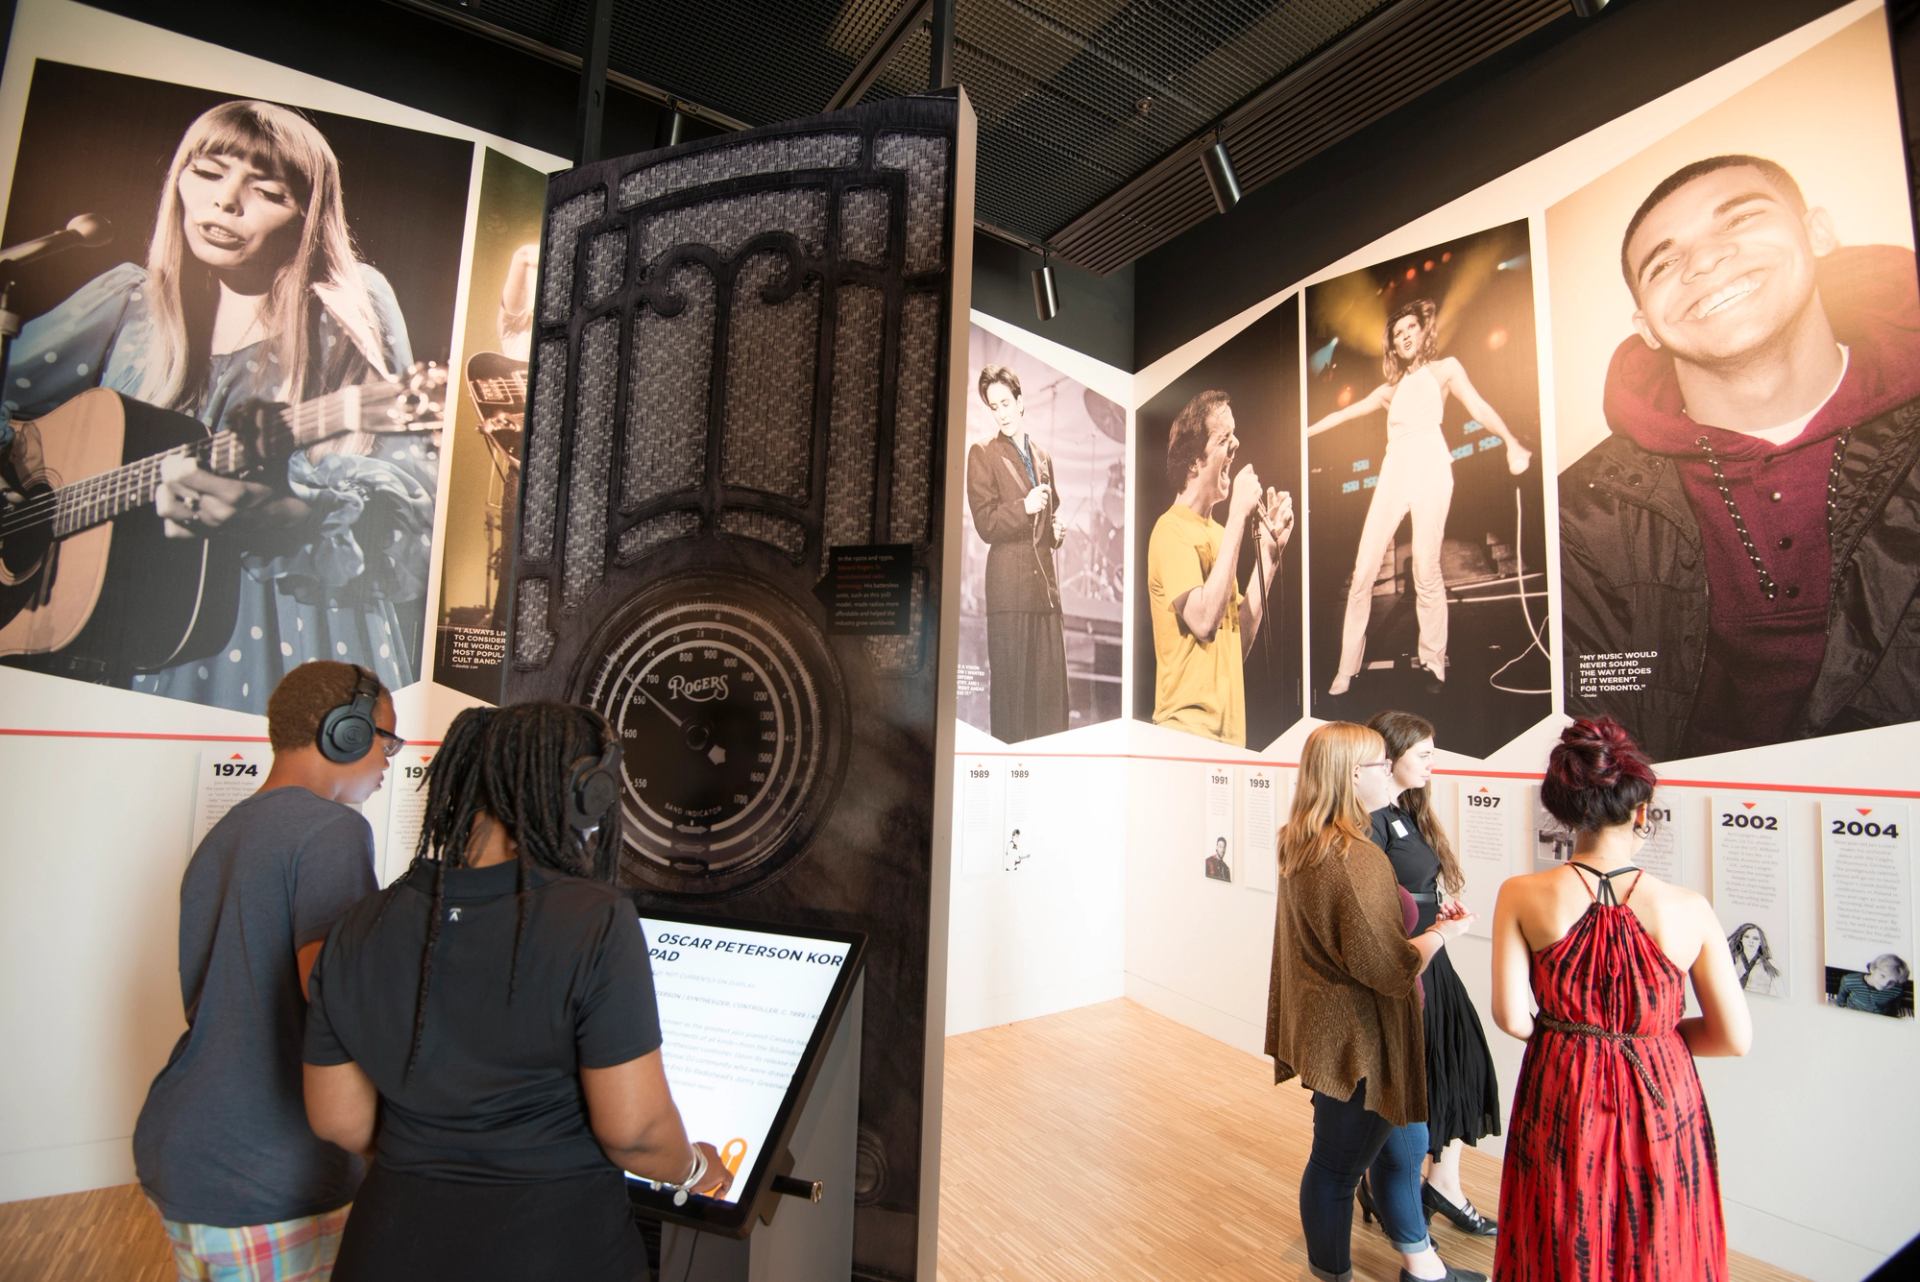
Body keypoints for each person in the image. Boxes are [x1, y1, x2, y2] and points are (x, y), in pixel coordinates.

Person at [2, 98, 432, 715]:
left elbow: (413, 496)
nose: (225, 202)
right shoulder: (132, 300)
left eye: (267, 191)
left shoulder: (347, 302)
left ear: (307, 217)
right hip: (126, 613)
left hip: (290, 617)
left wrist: (300, 512)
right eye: (207, 173)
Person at [302, 702, 732, 1281]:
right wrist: (693, 1168)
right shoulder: (594, 921)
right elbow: (635, 1133)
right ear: (587, 792)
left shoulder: (362, 924)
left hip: (385, 1247)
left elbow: (338, 1121)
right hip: (552, 1250)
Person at [1560, 154, 1920, 758]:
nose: (1704, 261)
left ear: (1819, 233)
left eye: (1738, 220)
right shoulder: (1584, 509)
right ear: (1645, 324)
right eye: (1665, 262)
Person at [133, 660, 397, 1282]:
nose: (390, 760)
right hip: (266, 1167)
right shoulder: (333, 830)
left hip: (190, 1148)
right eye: (388, 740)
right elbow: (333, 996)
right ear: (346, 734)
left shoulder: (225, 835)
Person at [1491, 717, 1751, 1281]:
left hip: (1564, 1082)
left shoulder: (1521, 893)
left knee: (1561, 1229)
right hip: (1663, 1086)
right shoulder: (1689, 906)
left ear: (1564, 811)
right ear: (1641, 812)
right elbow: (1734, 1038)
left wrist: (1577, 1038)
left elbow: (1513, 1017)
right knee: (1659, 1236)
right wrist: (1653, 1040)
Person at [1266, 722, 1483, 1282]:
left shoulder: (1302, 838)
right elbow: (1387, 967)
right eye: (1378, 765)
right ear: (1349, 776)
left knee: (1407, 1144)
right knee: (1337, 1171)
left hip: (1343, 1032)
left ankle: (1422, 1263)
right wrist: (1442, 935)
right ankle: (1331, 1273)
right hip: (1361, 1041)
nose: (1389, 772)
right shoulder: (1352, 855)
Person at [1307, 298, 1531, 695]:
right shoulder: (1388, 390)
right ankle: (1346, 668)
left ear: (1423, 332)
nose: (1405, 336)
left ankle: (1433, 662)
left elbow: (1477, 406)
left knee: (1426, 571)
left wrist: (1512, 443)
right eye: (1398, 333)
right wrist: (1303, 434)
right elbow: (1343, 415)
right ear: (1391, 346)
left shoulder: (1446, 369)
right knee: (1362, 573)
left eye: (1411, 328)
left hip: (1431, 465)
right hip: (1394, 470)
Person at [1364, 710, 1501, 1237]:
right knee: (1420, 1082)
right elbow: (1374, 907)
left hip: (1430, 956)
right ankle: (1412, 1187)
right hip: (1409, 965)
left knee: (1454, 1069)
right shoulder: (1371, 821)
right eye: (1422, 754)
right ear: (1391, 756)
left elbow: (1409, 891)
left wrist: (1438, 914)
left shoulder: (1404, 811)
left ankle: (1440, 1182)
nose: (1430, 764)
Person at [1146, 389, 1293, 747]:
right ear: (1194, 461)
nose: (1236, 445)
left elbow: (1237, 641)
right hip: (1186, 733)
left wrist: (1269, 559)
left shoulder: (1219, 533)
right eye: (1224, 438)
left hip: (1229, 736)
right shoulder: (1171, 530)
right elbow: (1202, 621)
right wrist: (1240, 515)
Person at [964, 364, 1070, 743]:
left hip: (1045, 595)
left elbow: (1049, 515)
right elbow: (986, 523)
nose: (1002, 412)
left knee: (1049, 702)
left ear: (1021, 402)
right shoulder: (982, 454)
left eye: (1006, 403)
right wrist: (1023, 508)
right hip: (1009, 593)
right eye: (994, 406)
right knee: (1012, 702)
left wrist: (1055, 532)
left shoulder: (1043, 457)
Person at [1833, 954, 1912, 1017]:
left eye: (1892, 982)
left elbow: (1894, 1006)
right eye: (1883, 976)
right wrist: (1841, 1009)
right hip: (1854, 1012)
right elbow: (1841, 997)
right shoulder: (1849, 980)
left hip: (1879, 1017)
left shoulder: (1896, 990)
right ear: (1872, 968)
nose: (1885, 984)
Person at [1728, 922, 1782, 996]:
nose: (1751, 941)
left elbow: (1780, 993)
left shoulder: (1771, 963)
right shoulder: (1731, 960)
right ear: (1741, 939)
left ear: (1760, 942)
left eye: (1755, 938)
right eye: (1747, 936)